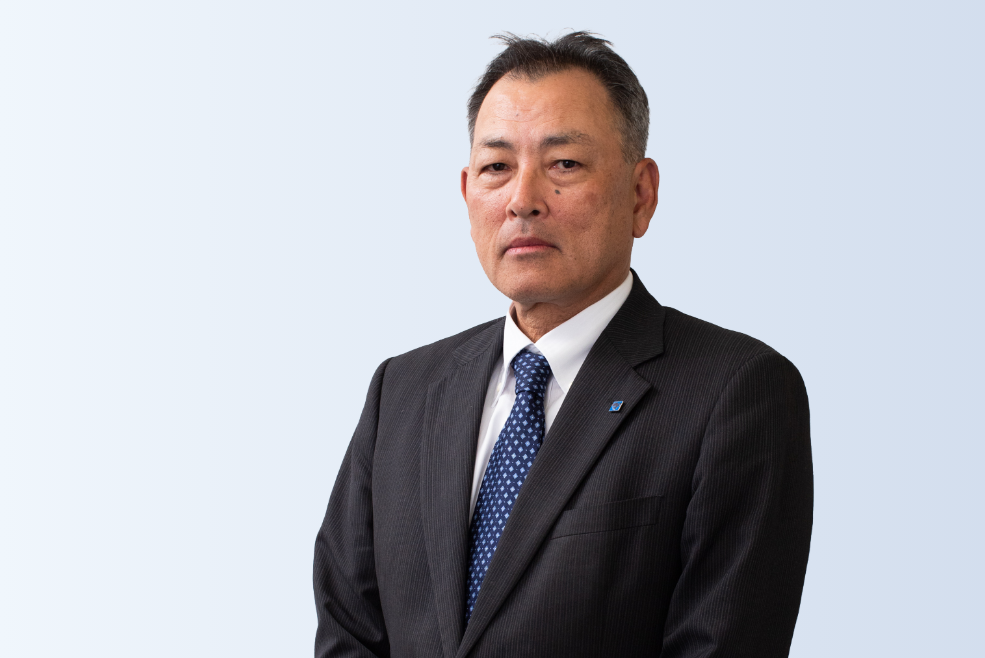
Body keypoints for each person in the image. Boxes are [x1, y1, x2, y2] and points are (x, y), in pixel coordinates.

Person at [314, 31, 812, 658]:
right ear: (467, 192)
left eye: (564, 165)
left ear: (641, 194)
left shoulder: (735, 394)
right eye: (497, 168)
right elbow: (349, 633)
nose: (522, 200)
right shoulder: (402, 391)